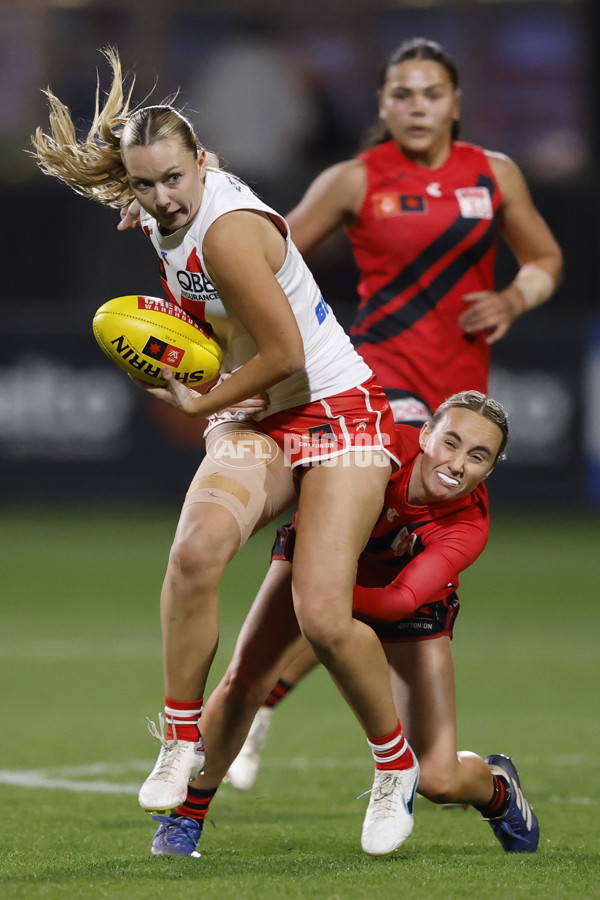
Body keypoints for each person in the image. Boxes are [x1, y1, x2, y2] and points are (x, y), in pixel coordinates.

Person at [31, 47, 422, 857]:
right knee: (196, 552)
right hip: (258, 415)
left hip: (336, 411)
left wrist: (197, 403)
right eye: (144, 184)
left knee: (320, 617)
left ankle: (394, 767)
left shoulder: (230, 235)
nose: (162, 196)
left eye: (174, 178)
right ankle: (179, 740)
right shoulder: (164, 210)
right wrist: (145, 207)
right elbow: (176, 234)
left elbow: (282, 355)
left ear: (203, 163)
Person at [224, 35, 563, 790]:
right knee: (349, 556)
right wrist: (184, 216)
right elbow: (265, 248)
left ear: (456, 103)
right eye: (402, 94)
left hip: (459, 413)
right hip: (375, 388)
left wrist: (515, 295)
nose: (417, 107)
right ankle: (265, 702)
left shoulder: (494, 176)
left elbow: (546, 260)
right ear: (381, 104)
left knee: (373, 571)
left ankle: (273, 699)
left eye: (431, 94)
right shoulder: (354, 179)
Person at [151, 391, 538, 858]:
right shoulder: (378, 447)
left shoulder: (468, 524)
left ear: (490, 470)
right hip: (318, 567)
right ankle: (185, 820)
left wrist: (318, 594)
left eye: (478, 457)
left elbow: (400, 601)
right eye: (450, 442)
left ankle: (497, 789)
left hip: (412, 610)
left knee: (438, 779)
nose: (457, 464)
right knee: (245, 680)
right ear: (425, 433)